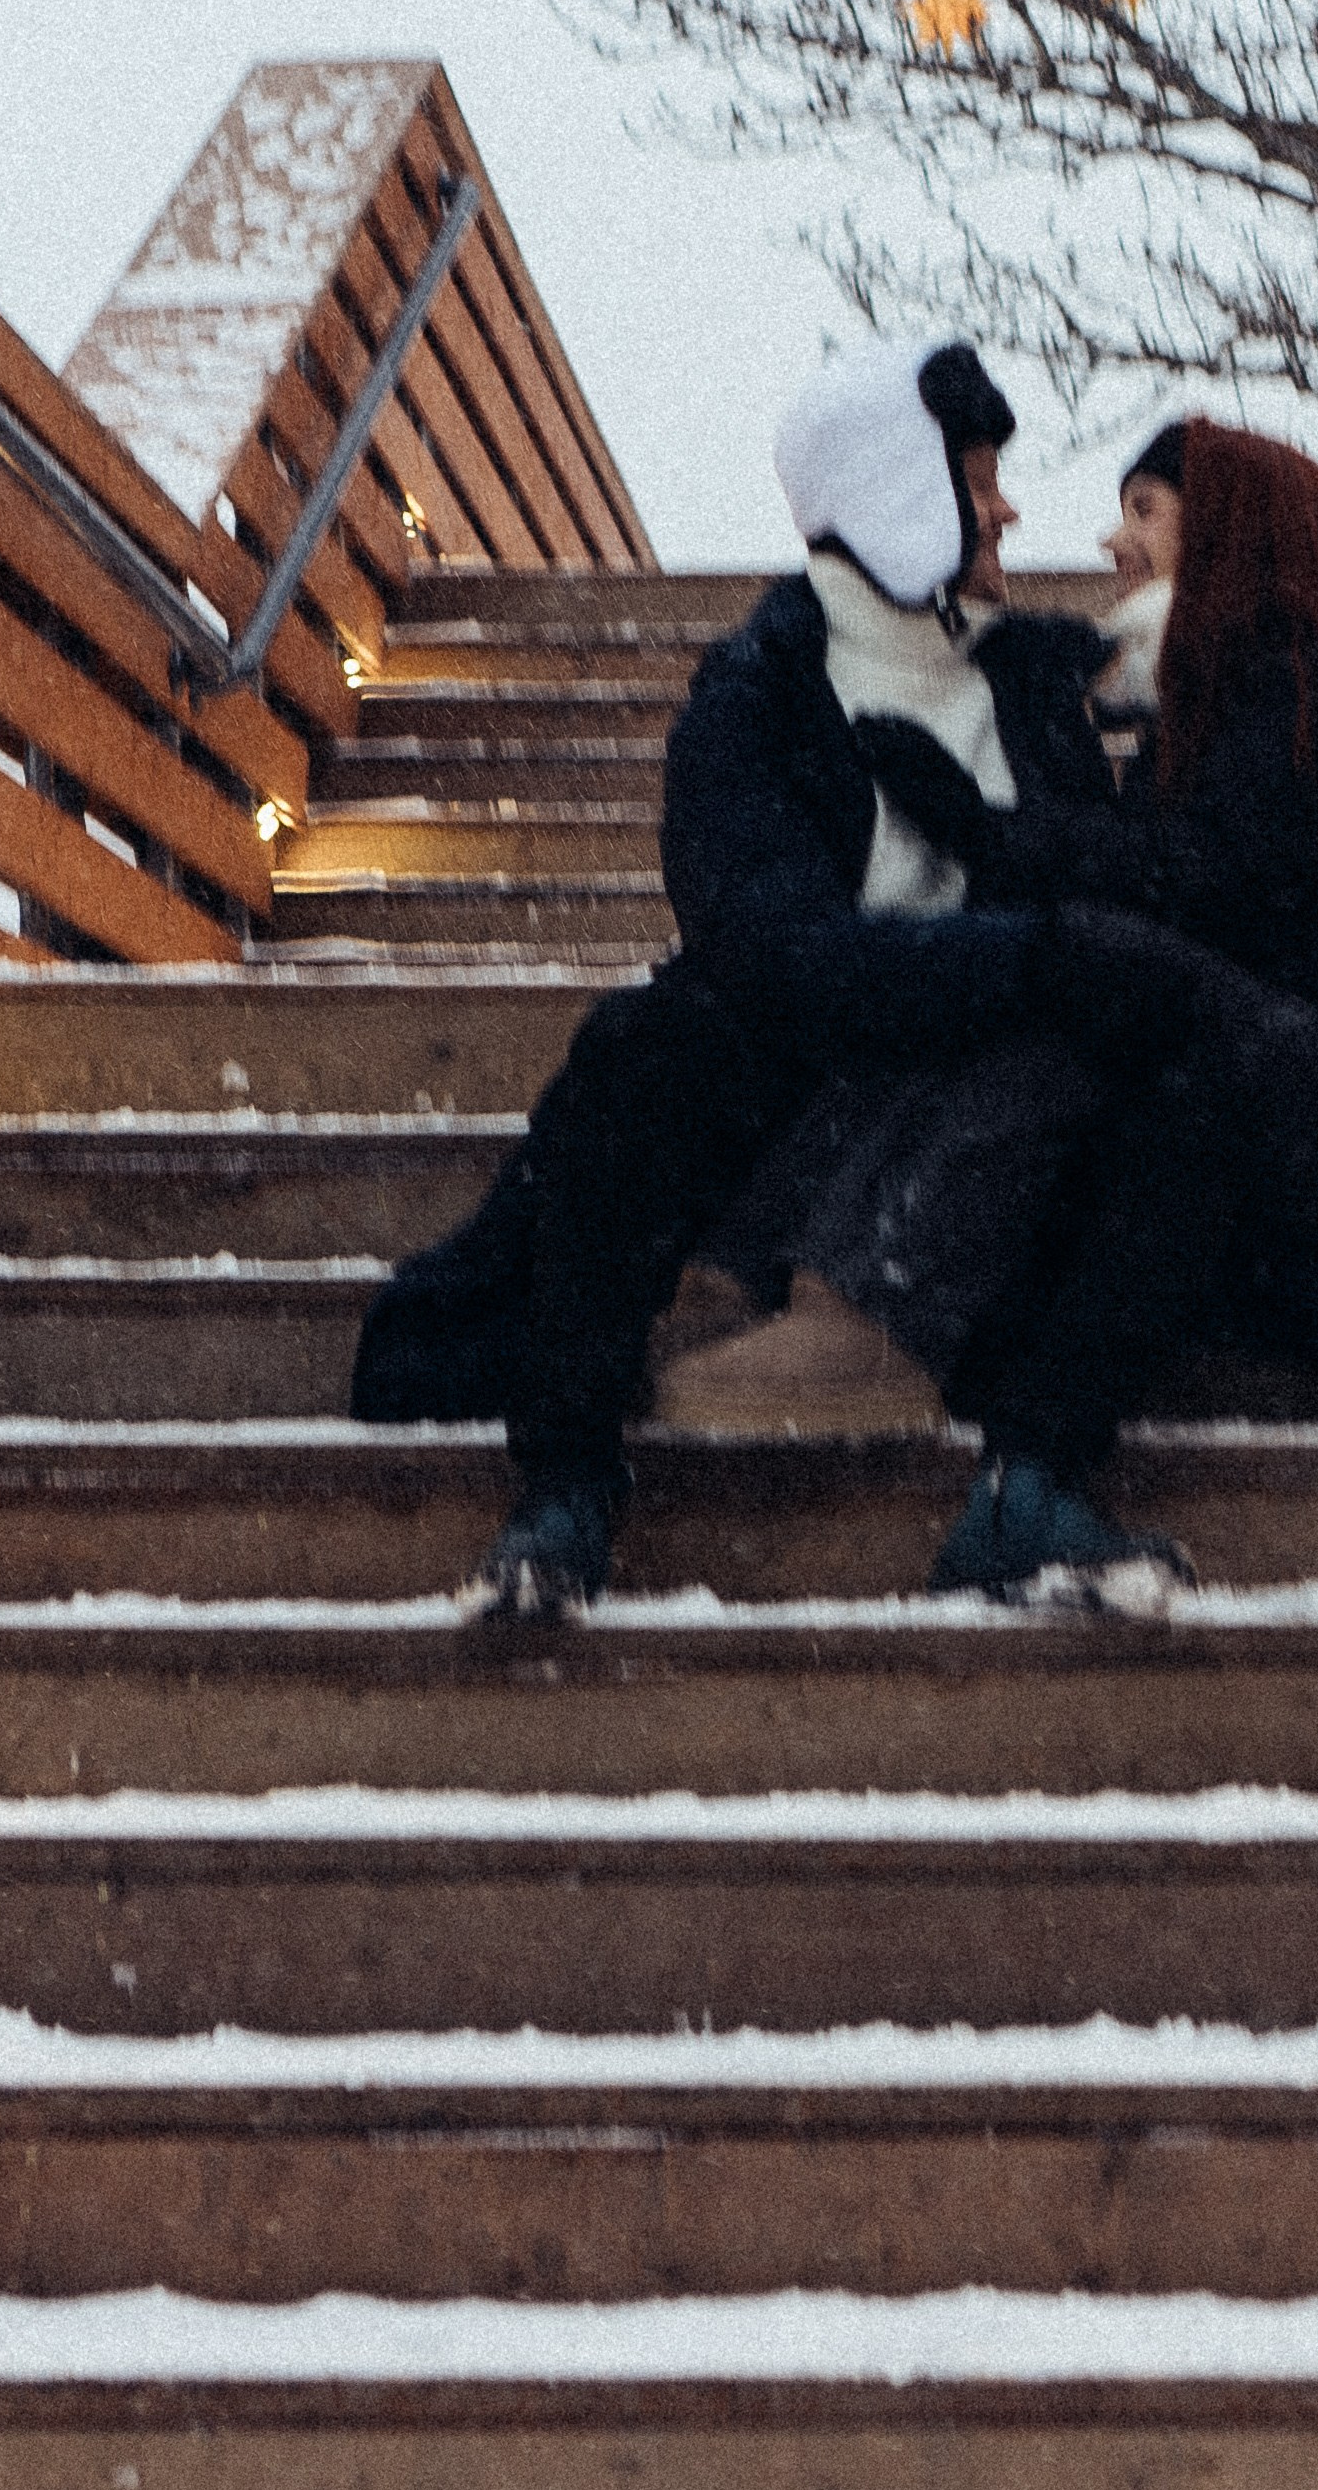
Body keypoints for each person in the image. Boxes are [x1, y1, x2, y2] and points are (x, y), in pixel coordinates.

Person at [349, 336, 1117, 1615]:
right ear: (899, 495)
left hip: (981, 1121)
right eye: (976, 480)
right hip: (792, 1094)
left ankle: (1007, 1459)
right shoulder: (757, 695)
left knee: (1103, 1042)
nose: (1006, 511)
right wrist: (1027, 958)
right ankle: (568, 1482)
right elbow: (776, 953)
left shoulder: (1039, 684)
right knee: (649, 1045)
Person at [839, 418, 1318, 1596]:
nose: (1112, 543)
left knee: (1102, 982)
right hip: (1298, 1110)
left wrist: (976, 829)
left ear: (1226, 523)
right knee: (1115, 1114)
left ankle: (1049, 1442)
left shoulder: (1315, 678)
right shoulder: (1218, 708)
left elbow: (1187, 888)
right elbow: (1160, 888)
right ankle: (1053, 1470)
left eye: (1146, 509)